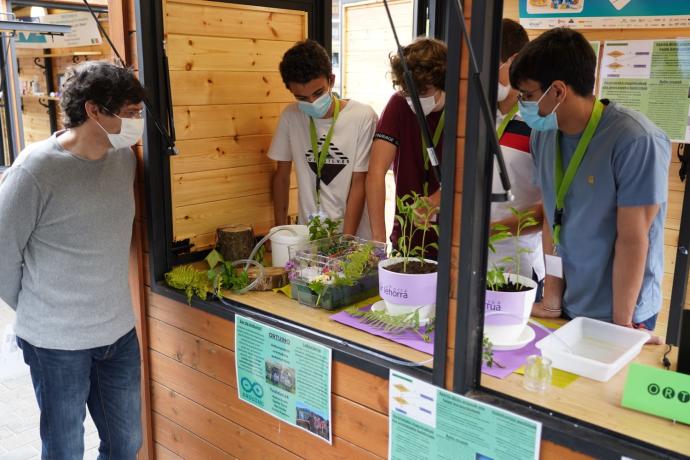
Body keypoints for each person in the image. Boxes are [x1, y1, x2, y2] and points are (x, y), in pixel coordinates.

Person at [0, 61, 145, 458]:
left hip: (118, 335)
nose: (137, 123)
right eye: (130, 114)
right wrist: (40, 308)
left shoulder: (124, 159)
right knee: (64, 449)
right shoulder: (35, 169)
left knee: (126, 443)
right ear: (94, 111)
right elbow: (1, 257)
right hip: (55, 344)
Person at [509, 28, 670, 341]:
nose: (521, 105)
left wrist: (621, 324)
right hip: (570, 301)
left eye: (526, 95)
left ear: (557, 91)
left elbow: (633, 239)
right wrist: (553, 297)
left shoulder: (635, 140)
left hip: (621, 311)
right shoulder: (544, 135)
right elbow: (552, 222)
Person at [269, 39, 377, 238]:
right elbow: (282, 176)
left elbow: (359, 182)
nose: (312, 102)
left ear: (331, 80)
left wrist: (346, 240)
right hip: (308, 235)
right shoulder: (291, 116)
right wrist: (280, 232)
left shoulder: (362, 116)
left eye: (318, 93)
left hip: (354, 237)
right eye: (302, 98)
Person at [367, 38, 447, 255]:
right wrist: (378, 239)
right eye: (406, 91)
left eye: (421, 93)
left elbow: (469, 174)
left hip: (452, 241)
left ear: (442, 83)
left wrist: (436, 200)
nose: (412, 99)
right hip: (407, 238)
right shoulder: (398, 104)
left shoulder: (462, 110)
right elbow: (376, 171)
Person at [489, 19, 545, 295]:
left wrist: (491, 230)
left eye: (489, 67)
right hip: (471, 260)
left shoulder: (539, 123)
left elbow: (550, 211)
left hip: (517, 265)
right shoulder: (475, 119)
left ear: (513, 61)